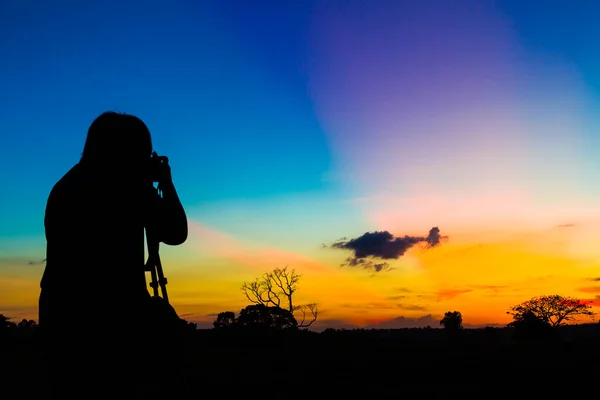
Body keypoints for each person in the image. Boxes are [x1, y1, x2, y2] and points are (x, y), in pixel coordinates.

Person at [38, 111, 188, 399]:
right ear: (128, 151)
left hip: (61, 316)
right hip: (116, 321)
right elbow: (176, 232)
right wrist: (165, 183)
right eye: (143, 153)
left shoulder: (66, 186)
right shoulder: (125, 187)